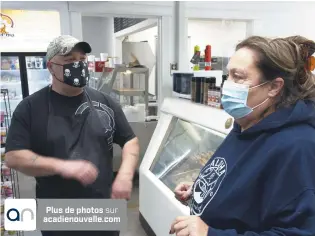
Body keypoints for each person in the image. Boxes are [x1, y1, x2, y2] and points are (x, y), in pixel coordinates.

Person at [171, 35, 315, 236]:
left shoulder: (298, 146)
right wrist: (202, 192)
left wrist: (210, 233)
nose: (226, 85)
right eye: (228, 75)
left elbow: (299, 232)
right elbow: (246, 187)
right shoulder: (246, 123)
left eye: (238, 76)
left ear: (274, 87)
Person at [5, 35, 140, 236]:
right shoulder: (30, 108)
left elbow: (130, 140)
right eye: (69, 61)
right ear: (51, 67)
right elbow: (13, 156)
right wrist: (62, 166)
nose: (78, 66)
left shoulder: (106, 102)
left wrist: (126, 175)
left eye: (82, 60)